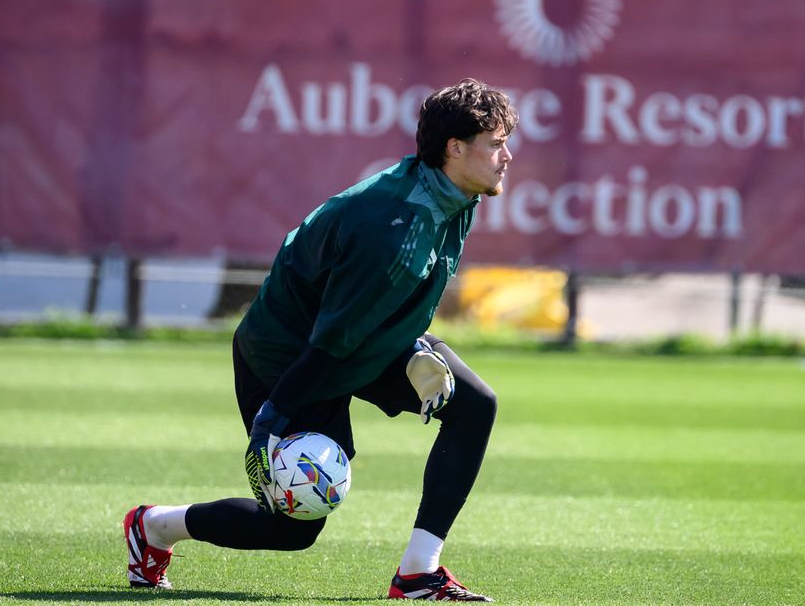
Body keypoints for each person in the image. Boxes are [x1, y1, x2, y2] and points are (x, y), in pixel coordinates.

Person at [123, 78, 517, 601]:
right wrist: (272, 421)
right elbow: (332, 343)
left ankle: (418, 573)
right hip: (290, 357)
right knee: (293, 529)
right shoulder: (395, 227)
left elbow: (379, 302)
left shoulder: (454, 193)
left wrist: (414, 343)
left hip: (345, 339)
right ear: (455, 148)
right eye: (495, 143)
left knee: (475, 405)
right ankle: (153, 528)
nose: (506, 156)